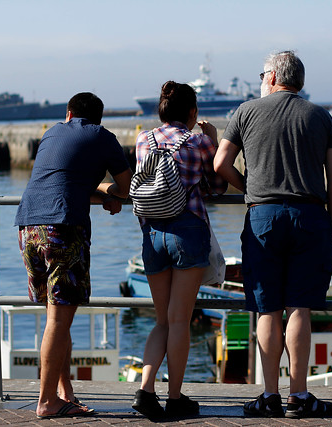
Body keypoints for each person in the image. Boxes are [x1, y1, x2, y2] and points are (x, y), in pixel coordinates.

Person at [214, 51, 332, 419]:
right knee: (299, 307)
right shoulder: (320, 116)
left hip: (262, 217)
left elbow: (220, 164)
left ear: (272, 77)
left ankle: (269, 395)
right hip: (309, 216)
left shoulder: (245, 112)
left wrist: (249, 190)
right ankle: (299, 396)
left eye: (261, 74)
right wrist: (330, 225)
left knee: (267, 309)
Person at [15, 92, 132, 419]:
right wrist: (111, 196)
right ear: (98, 118)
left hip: (28, 228)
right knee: (59, 319)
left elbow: (65, 183)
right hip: (63, 230)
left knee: (56, 318)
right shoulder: (102, 137)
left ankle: (63, 393)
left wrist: (99, 194)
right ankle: (46, 401)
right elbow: (124, 187)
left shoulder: (51, 133)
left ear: (68, 113)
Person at [131, 81, 227, 420]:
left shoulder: (144, 139)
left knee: (161, 320)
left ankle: (145, 390)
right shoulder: (198, 141)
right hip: (187, 232)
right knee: (180, 321)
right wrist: (213, 141)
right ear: (191, 112)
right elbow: (217, 186)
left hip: (152, 234)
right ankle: (174, 398)